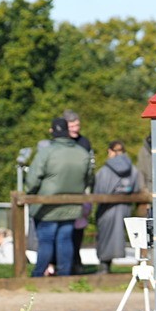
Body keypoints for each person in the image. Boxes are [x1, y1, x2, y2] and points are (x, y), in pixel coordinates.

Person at [26, 117, 92, 277]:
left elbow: (32, 179)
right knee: (65, 239)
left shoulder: (46, 152)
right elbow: (88, 178)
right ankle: (64, 275)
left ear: (52, 131)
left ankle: (38, 275)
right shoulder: (82, 153)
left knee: (46, 241)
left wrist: (32, 193)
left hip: (46, 205)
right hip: (72, 204)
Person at [93, 140, 144, 272]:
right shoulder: (133, 170)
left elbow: (98, 191)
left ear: (110, 151)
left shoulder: (104, 170)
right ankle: (141, 267)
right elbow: (137, 188)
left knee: (105, 235)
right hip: (125, 208)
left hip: (107, 209)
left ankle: (104, 266)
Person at [63, 109, 94, 273]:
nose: (75, 128)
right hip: (65, 191)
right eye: (72, 125)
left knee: (79, 228)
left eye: (77, 125)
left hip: (81, 190)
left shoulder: (84, 142)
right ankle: (68, 262)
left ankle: (76, 260)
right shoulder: (61, 142)